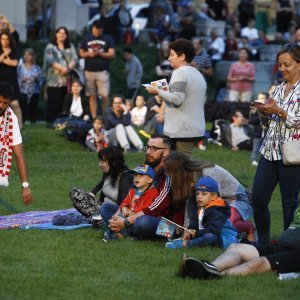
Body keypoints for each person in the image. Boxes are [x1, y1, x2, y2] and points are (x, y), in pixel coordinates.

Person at [251, 44, 300, 245]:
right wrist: (263, 112)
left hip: (293, 154)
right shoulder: (278, 88)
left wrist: (279, 111)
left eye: (286, 64)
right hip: (269, 151)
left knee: (289, 203)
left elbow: (297, 122)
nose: (282, 69)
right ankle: (263, 242)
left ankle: (288, 245)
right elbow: (268, 124)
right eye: (280, 65)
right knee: (258, 199)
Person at [178, 205, 300, 279]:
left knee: (257, 263)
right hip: (280, 246)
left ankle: (212, 275)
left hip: (296, 254)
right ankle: (211, 267)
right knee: (235, 247)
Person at [163, 152, 254, 240]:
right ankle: (238, 232)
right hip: (219, 202)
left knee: (222, 227)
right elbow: (190, 204)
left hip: (236, 201)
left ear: (178, 172)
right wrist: (188, 230)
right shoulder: (189, 177)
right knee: (210, 228)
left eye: (169, 172)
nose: (168, 175)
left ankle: (249, 227)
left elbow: (216, 204)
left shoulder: (208, 173)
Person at [105, 136, 177, 239]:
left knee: (143, 222)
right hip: (138, 214)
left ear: (165, 152)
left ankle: (124, 230)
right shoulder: (148, 168)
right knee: (106, 208)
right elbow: (131, 197)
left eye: (153, 148)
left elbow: (156, 207)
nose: (148, 151)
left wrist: (127, 220)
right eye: (147, 147)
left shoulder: (169, 174)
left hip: (168, 225)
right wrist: (118, 215)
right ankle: (121, 228)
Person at [146, 38, 206, 157]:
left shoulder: (179, 72)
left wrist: (157, 90)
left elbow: (177, 100)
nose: (169, 58)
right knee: (176, 165)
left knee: (184, 168)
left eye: (172, 55)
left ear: (182, 56)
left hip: (182, 130)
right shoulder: (198, 74)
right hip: (194, 128)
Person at [165, 176, 231, 249]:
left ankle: (185, 245)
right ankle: (183, 240)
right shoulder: (203, 207)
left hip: (222, 240)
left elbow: (214, 230)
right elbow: (196, 224)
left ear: (214, 196)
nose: (199, 197)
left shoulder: (217, 210)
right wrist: (189, 231)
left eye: (204, 194)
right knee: (205, 236)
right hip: (208, 235)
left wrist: (196, 233)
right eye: (197, 194)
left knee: (210, 236)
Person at [101, 164, 159, 240]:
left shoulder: (154, 193)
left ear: (150, 180)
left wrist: (133, 213)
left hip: (139, 218)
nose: (136, 178)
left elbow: (148, 207)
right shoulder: (132, 191)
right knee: (106, 207)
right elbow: (125, 202)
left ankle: (119, 233)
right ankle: (117, 228)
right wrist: (124, 209)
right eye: (135, 175)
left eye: (141, 175)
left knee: (142, 222)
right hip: (128, 216)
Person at [0, 81, 33, 204]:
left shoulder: (11, 119)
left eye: (5, 103)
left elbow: (19, 155)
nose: (2, 106)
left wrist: (25, 186)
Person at [79, 20, 116, 118]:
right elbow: (81, 53)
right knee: (92, 95)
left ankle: (106, 117)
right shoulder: (86, 38)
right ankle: (94, 118)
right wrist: (88, 54)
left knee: (105, 95)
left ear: (101, 30)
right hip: (89, 71)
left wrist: (100, 53)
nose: (96, 33)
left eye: (98, 31)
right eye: (94, 30)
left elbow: (112, 54)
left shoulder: (107, 39)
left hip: (103, 71)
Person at [43, 26, 78, 124]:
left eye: (64, 33)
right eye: (60, 33)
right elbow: (50, 60)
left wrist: (67, 69)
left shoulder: (70, 46)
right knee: (54, 101)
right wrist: (61, 68)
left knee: (65, 101)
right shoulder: (50, 46)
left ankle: (64, 121)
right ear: (56, 34)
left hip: (68, 80)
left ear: (66, 35)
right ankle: (52, 121)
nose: (62, 35)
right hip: (54, 80)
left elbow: (75, 59)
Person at [0, 31, 23, 128]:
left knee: (15, 104)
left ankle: (20, 127)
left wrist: (3, 60)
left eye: (7, 39)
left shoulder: (14, 51)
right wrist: (5, 53)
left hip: (12, 81)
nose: (5, 41)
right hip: (0, 81)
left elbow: (14, 63)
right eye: (3, 39)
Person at [17, 48, 43, 124]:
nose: (28, 57)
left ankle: (33, 122)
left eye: (30, 55)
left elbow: (41, 80)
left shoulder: (37, 67)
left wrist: (37, 78)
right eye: (26, 55)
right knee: (23, 108)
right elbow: (16, 79)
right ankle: (22, 122)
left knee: (33, 109)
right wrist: (22, 80)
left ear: (33, 56)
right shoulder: (20, 67)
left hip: (34, 91)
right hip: (23, 90)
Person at [249, 92, 268, 166]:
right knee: (256, 148)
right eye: (259, 98)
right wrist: (260, 115)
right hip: (257, 133)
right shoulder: (254, 110)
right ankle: (253, 159)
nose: (260, 100)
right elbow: (252, 120)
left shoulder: (268, 110)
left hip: (266, 133)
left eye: (262, 98)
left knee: (264, 148)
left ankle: (263, 161)